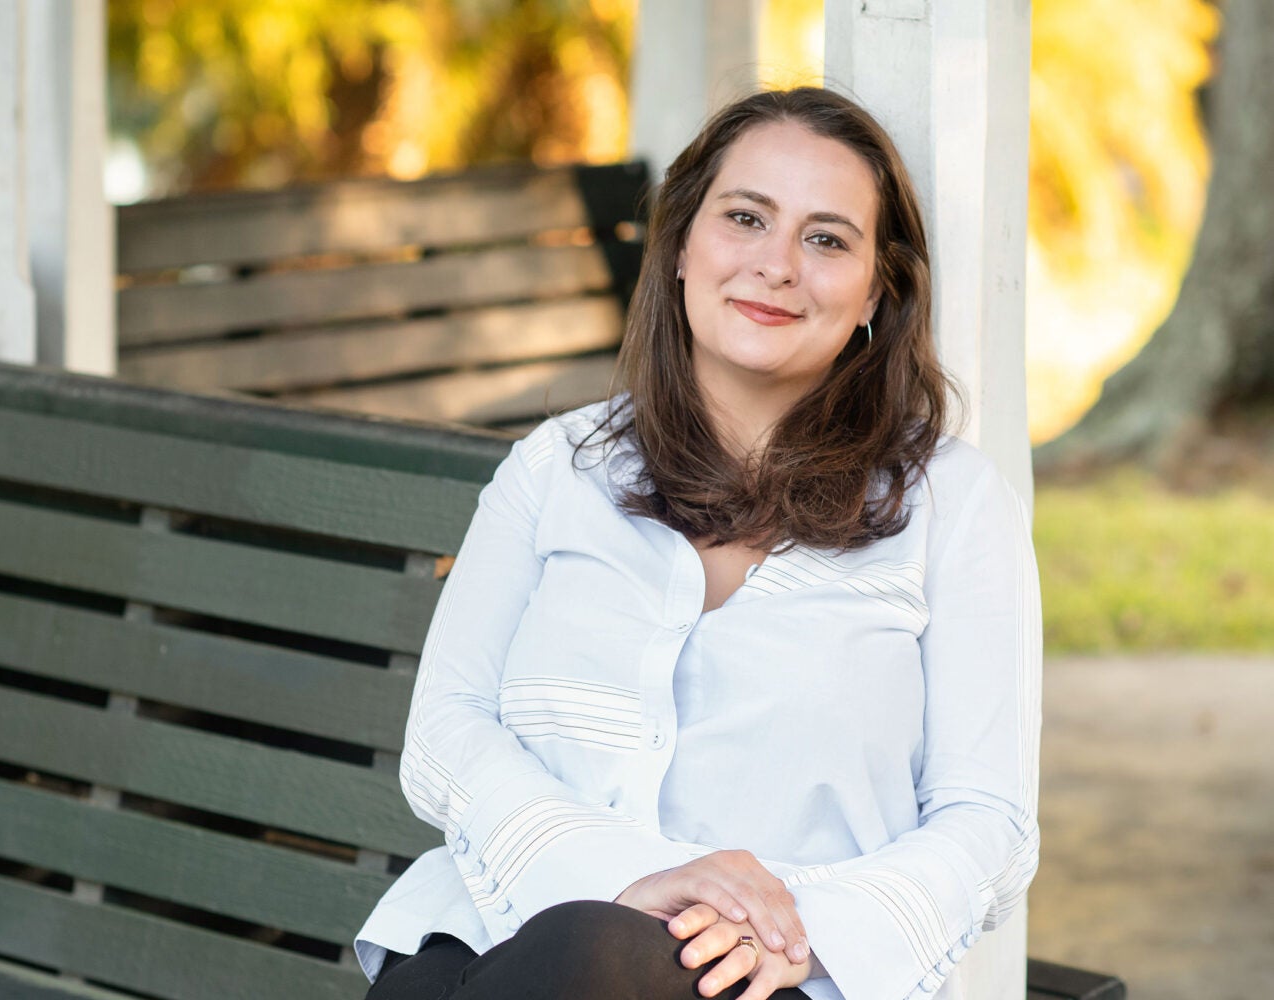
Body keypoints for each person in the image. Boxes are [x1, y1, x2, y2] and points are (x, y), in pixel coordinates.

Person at [355, 87, 1042, 1000]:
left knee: (587, 960)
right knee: (538, 962)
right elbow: (446, 731)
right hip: (504, 927)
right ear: (681, 245)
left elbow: (988, 821)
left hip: (776, 976)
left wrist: (791, 932)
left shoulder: (952, 504)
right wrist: (623, 879)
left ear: (877, 291)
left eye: (827, 239)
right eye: (746, 218)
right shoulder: (557, 468)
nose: (777, 265)